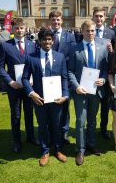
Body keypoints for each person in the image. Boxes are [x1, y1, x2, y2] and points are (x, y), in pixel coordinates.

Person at [22, 28, 69, 166]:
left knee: (57, 125)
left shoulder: (60, 56)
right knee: (42, 126)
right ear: (39, 41)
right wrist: (31, 93)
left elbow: (64, 77)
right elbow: (25, 78)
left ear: (53, 41)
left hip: (56, 99)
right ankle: (45, 151)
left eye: (49, 39)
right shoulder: (31, 57)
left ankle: (58, 149)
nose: (47, 42)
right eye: (44, 39)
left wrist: (65, 94)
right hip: (39, 99)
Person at [68, 20, 108, 166]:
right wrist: (76, 86)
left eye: (93, 31)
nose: (91, 33)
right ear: (82, 31)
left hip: (96, 91)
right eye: (88, 31)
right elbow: (70, 71)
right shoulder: (74, 49)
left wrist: (103, 79)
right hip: (80, 91)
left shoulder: (102, 48)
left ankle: (91, 143)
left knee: (92, 120)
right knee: (80, 121)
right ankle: (80, 149)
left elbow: (105, 68)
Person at [0, 19, 38, 153]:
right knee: (16, 115)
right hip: (14, 87)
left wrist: (34, 79)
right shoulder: (5, 45)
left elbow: (35, 64)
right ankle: (17, 141)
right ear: (12, 29)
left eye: (22, 28)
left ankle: (30, 137)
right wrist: (10, 82)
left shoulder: (32, 45)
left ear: (26, 29)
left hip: (28, 86)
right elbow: (0, 67)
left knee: (29, 113)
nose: (20, 31)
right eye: (17, 28)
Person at [48, 10, 76, 144]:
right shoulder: (46, 35)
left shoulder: (70, 36)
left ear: (62, 20)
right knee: (50, 106)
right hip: (49, 78)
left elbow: (72, 56)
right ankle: (52, 131)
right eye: (53, 20)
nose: (56, 22)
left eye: (58, 19)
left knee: (65, 106)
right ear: (50, 21)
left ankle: (64, 133)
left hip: (65, 77)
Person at [92, 7, 115, 140]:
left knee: (105, 104)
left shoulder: (111, 33)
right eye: (96, 16)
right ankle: (91, 127)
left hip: (107, 73)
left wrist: (112, 51)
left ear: (105, 17)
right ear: (93, 17)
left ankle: (103, 128)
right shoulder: (88, 31)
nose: (99, 19)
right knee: (92, 105)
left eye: (101, 16)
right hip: (92, 73)